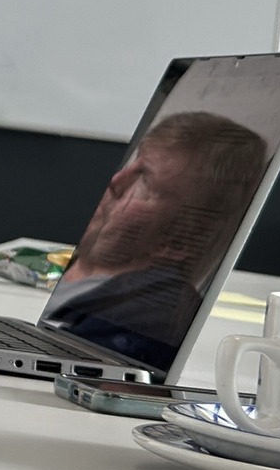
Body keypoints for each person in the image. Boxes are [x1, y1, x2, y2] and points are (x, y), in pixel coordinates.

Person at [44, 110, 268, 363]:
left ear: (179, 241)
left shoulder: (139, 321)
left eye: (145, 182)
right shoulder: (90, 280)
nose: (115, 181)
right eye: (133, 164)